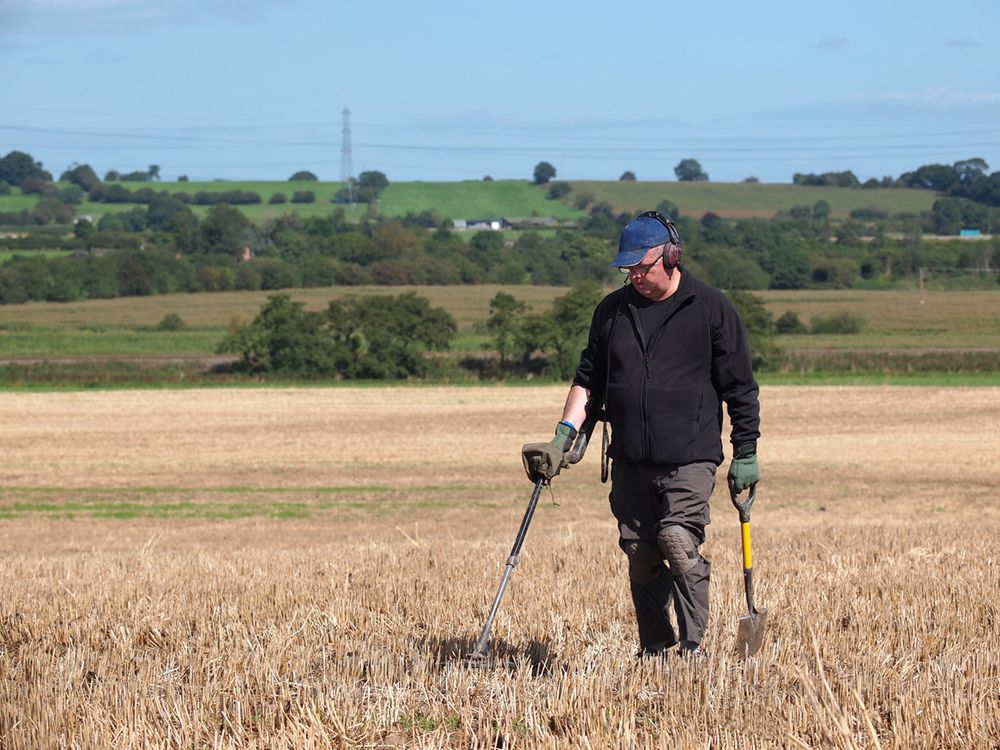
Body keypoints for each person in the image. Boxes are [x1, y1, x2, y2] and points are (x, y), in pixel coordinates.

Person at [521, 211, 761, 659]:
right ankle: (654, 647)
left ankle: (693, 648)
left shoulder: (710, 307)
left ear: (672, 257)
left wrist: (745, 452)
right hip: (630, 458)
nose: (634, 276)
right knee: (640, 550)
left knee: (676, 537)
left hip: (689, 455)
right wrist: (561, 438)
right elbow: (588, 380)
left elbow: (740, 387)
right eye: (627, 269)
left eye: (642, 267)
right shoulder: (612, 311)